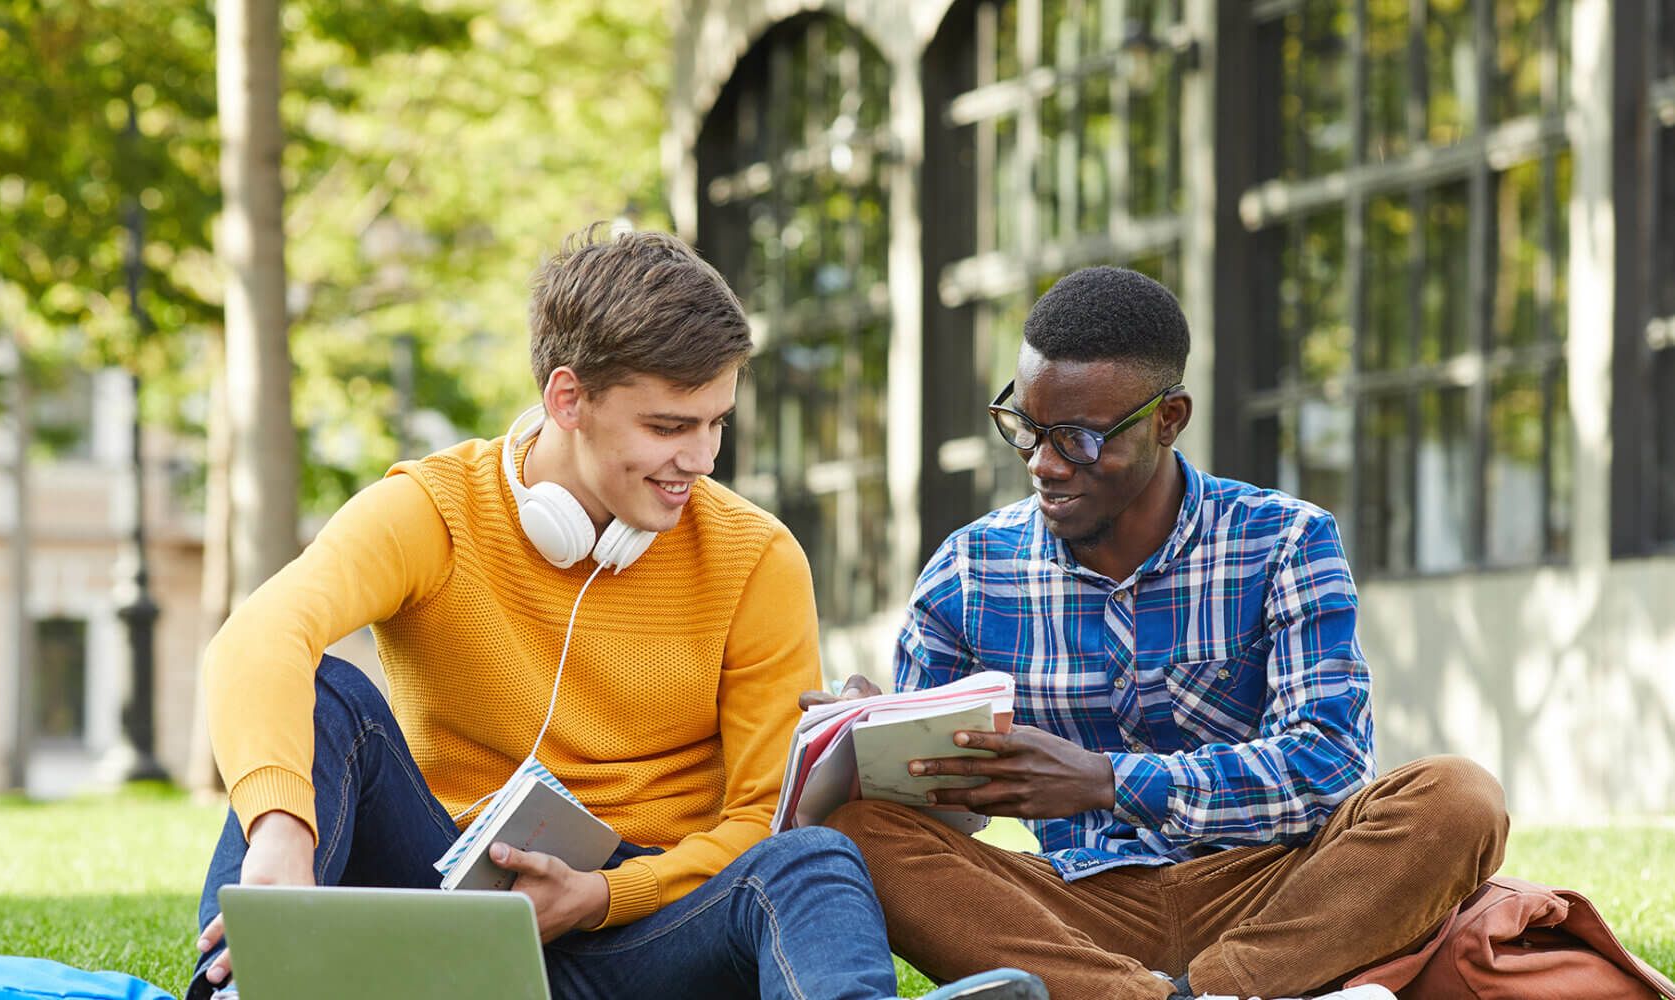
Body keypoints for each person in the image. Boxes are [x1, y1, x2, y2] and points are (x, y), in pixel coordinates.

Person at [184, 225, 1045, 1000]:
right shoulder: (437, 508)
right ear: (569, 399)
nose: (699, 460)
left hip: (651, 926)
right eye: (669, 426)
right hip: (452, 898)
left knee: (814, 857)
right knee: (326, 695)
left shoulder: (757, 557)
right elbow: (260, 635)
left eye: (716, 423)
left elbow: (756, 816)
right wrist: (280, 838)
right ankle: (232, 987)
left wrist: (599, 895)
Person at [817, 267, 1509, 1000]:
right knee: (858, 834)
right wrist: (879, 738)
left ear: (1168, 418)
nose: (1043, 465)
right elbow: (940, 828)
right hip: (1073, 908)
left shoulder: (1285, 540)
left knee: (1459, 798)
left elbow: (1329, 768)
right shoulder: (967, 571)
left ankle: (1192, 992)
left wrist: (1106, 780)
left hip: (1275, 893)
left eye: (1079, 439)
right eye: (1024, 427)